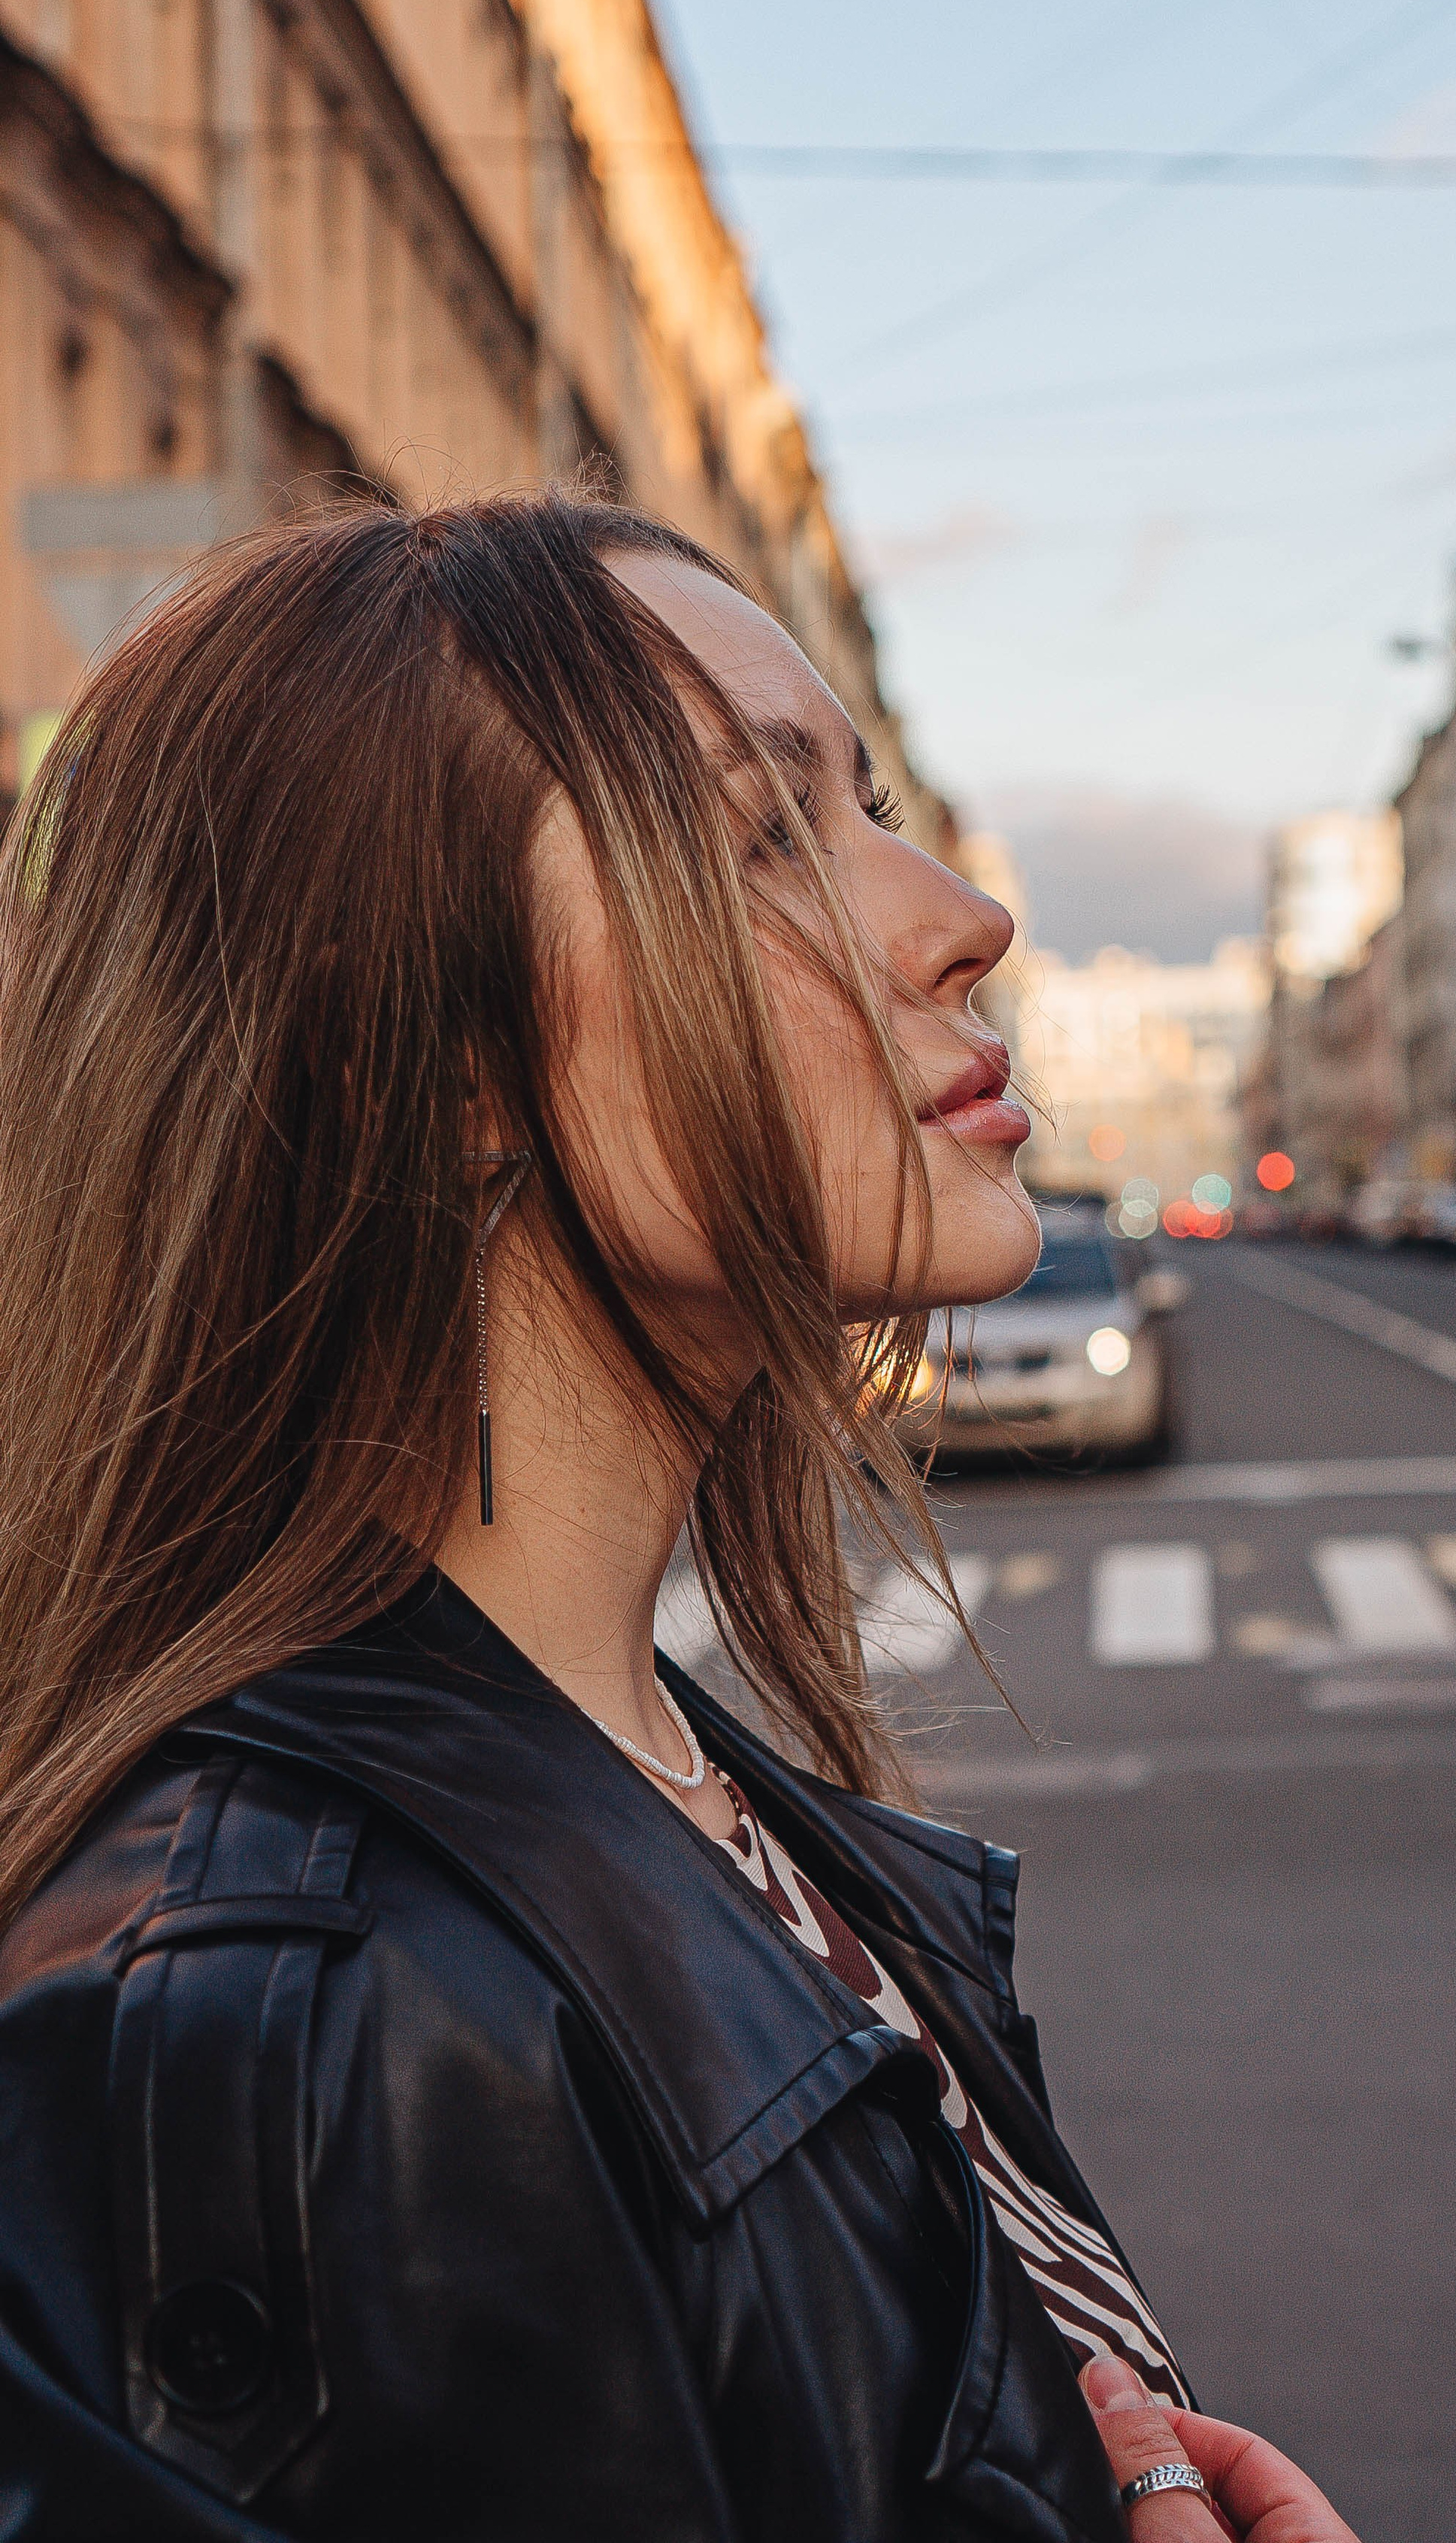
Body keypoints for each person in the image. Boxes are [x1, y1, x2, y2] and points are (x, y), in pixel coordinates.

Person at [0, 491, 1358, 2542]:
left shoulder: (662, 1794)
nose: (960, 914)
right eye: (764, 830)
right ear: (439, 1047)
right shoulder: (316, 2027)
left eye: (872, 803)